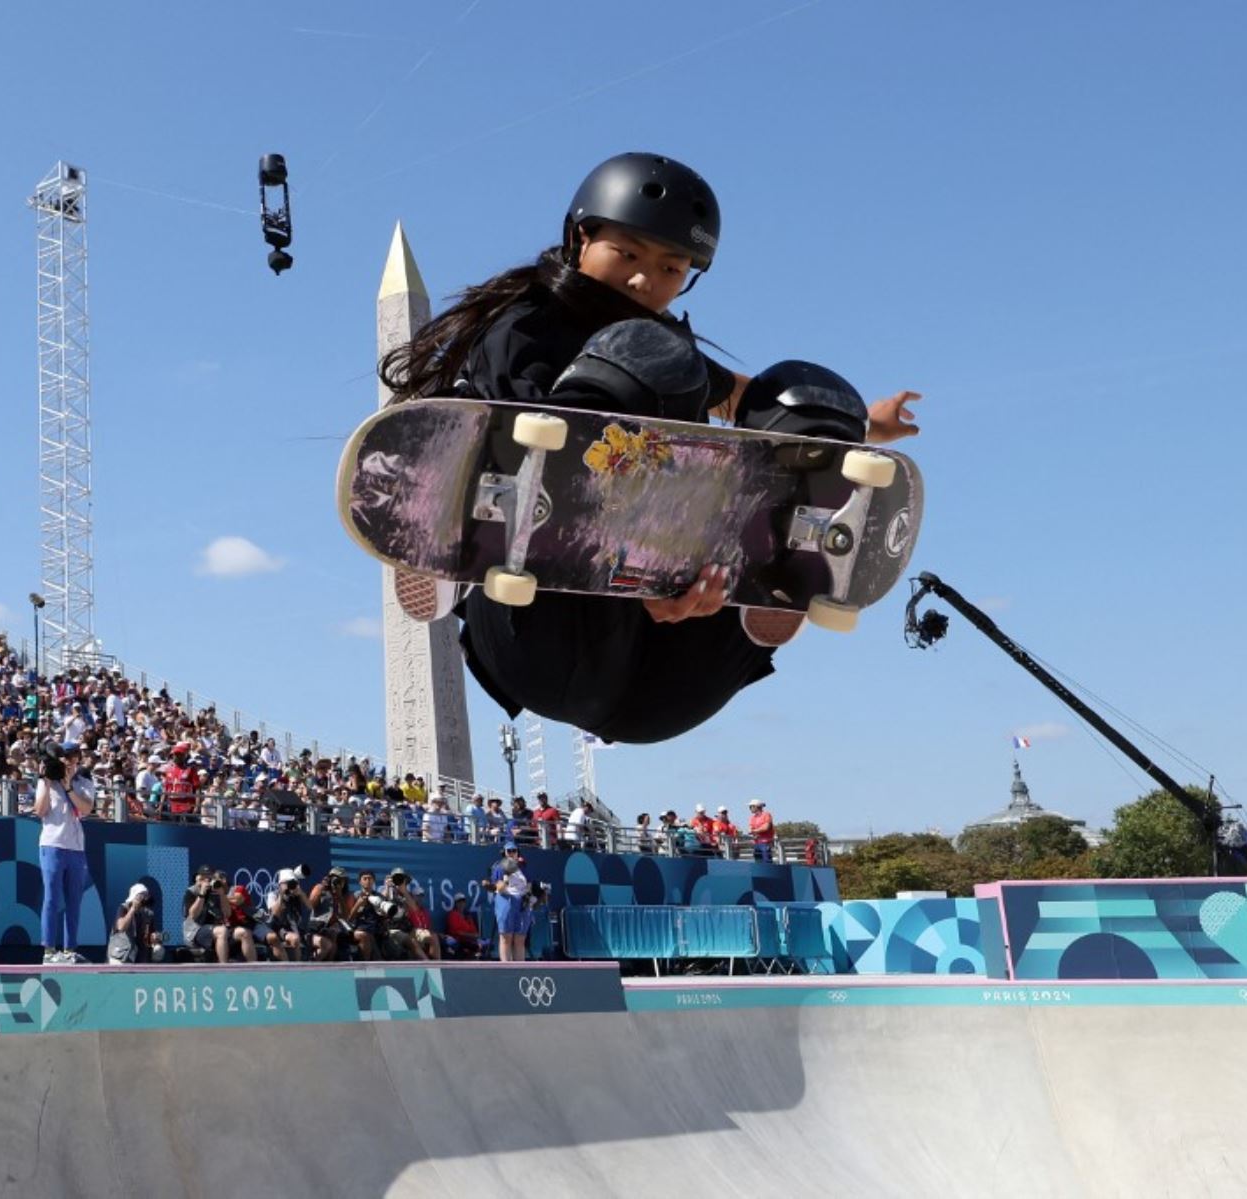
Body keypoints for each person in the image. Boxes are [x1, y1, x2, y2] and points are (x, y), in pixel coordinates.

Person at [379, 152, 923, 744]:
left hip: (671, 680)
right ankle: (451, 551)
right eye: (629, 254)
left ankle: (787, 566)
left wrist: (856, 423)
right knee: (644, 365)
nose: (646, 280)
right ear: (580, 236)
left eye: (671, 267)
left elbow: (743, 395)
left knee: (803, 392)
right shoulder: (525, 331)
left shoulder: (665, 350)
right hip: (543, 628)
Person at [34, 741, 94, 965]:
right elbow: (40, 810)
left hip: (76, 848)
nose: (70, 761)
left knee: (74, 900)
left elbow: (86, 809)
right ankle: (49, 950)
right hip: (52, 844)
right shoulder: (47, 779)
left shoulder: (83, 780)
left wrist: (69, 786)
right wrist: (48, 783)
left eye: (74, 756)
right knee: (51, 898)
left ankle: (69, 949)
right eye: (66, 757)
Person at [490, 846, 533, 962]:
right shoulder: (499, 867)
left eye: (514, 850)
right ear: (504, 852)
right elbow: (499, 888)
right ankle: (506, 967)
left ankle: (520, 969)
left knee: (520, 939)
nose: (512, 853)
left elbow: (528, 884)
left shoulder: (523, 867)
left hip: (522, 904)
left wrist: (527, 896)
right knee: (506, 937)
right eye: (509, 851)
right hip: (506, 902)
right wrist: (506, 876)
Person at [108, 882, 164, 964]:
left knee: (159, 950)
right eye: (142, 895)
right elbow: (121, 927)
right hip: (121, 954)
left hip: (139, 954)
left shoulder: (148, 914)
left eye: (146, 895)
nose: (145, 898)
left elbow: (149, 935)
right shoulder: (123, 908)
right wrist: (132, 909)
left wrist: (154, 938)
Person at [442, 894, 481, 960]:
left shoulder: (468, 916)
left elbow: (474, 931)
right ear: (455, 904)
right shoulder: (452, 915)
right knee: (476, 946)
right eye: (459, 902)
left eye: (463, 902)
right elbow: (457, 932)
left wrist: (475, 936)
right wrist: (471, 936)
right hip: (458, 940)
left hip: (469, 940)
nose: (461, 904)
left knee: (483, 945)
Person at [748, 798, 776, 863]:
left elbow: (766, 827)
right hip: (756, 843)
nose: (750, 808)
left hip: (765, 843)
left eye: (751, 806)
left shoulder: (766, 814)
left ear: (756, 807)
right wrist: (754, 832)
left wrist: (754, 831)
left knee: (767, 862)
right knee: (758, 862)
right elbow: (750, 828)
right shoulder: (752, 817)